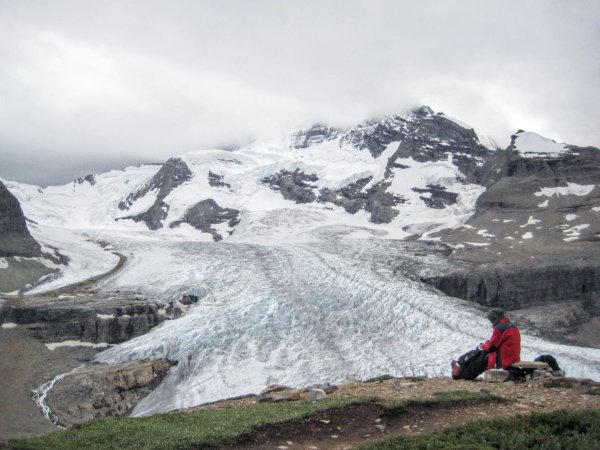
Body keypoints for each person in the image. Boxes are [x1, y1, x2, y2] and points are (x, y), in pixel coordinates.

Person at [451, 308, 521, 380]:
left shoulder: (500, 328)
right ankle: (460, 366)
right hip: (512, 356)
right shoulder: (512, 326)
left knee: (479, 358)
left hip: (503, 358)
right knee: (480, 353)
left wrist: (483, 346)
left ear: (494, 318)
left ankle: (461, 373)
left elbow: (491, 347)